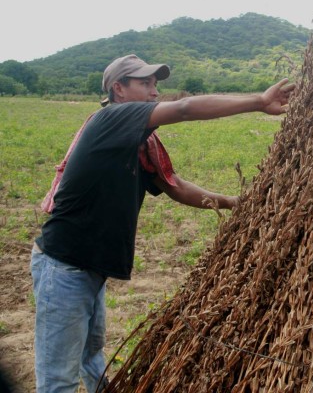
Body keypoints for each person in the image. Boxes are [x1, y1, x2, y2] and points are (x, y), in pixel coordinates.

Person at [30, 54, 295, 392]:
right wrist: (258, 101)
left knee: (91, 356)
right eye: (145, 83)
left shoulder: (141, 144)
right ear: (118, 89)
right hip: (65, 267)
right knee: (57, 379)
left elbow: (176, 187)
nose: (154, 92)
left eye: (156, 84)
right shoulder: (110, 119)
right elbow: (184, 109)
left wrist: (233, 203)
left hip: (88, 268)